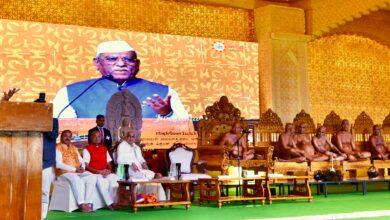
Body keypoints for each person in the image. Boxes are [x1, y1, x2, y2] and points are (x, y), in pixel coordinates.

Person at [53, 40, 189, 119]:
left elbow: (185, 130)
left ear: (137, 64)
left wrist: (167, 113)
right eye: (112, 59)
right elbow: (56, 131)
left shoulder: (164, 92)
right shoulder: (71, 92)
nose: (121, 64)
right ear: (97, 63)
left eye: (128, 59)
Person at [116, 130, 166, 201]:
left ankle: (154, 199)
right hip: (128, 170)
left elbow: (141, 159)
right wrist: (131, 163)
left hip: (139, 170)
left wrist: (144, 163)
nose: (131, 138)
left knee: (153, 177)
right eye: (129, 136)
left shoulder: (137, 147)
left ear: (135, 138)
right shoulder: (122, 146)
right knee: (154, 176)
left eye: (132, 136)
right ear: (125, 137)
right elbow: (119, 159)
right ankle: (152, 198)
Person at [55, 130, 97, 212]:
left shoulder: (73, 147)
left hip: (77, 171)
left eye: (69, 136)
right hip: (63, 173)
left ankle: (87, 202)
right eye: (65, 136)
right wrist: (74, 169)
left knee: (92, 177)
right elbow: (58, 164)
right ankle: (81, 204)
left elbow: (81, 160)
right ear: (61, 137)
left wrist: (82, 167)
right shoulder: (57, 147)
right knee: (75, 178)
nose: (68, 138)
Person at [83, 130, 120, 210]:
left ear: (101, 138)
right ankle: (109, 203)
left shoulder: (104, 148)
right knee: (100, 181)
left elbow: (109, 163)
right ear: (91, 138)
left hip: (104, 172)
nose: (97, 138)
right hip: (94, 173)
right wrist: (98, 171)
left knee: (114, 178)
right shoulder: (87, 149)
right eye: (94, 136)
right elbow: (86, 166)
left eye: (99, 136)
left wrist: (109, 171)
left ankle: (114, 201)